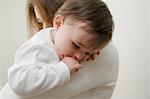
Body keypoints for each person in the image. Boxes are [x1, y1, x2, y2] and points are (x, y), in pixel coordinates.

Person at [0, 0, 117, 99]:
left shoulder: (77, 39)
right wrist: (62, 69)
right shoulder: (37, 47)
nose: (81, 57)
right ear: (58, 23)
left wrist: (87, 50)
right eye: (76, 45)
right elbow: (19, 84)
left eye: (88, 53)